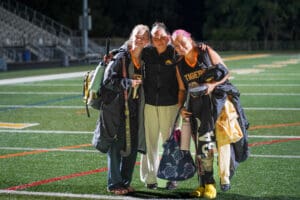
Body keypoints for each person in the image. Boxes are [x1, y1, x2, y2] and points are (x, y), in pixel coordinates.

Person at [171, 29, 249, 199]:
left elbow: (226, 73)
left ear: (190, 39)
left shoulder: (205, 52)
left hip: (217, 105)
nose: (180, 47)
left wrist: (212, 86)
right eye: (176, 45)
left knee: (218, 143)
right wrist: (180, 107)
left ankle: (218, 180)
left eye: (182, 42)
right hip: (196, 108)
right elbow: (182, 89)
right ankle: (205, 182)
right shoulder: (179, 64)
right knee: (201, 145)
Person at [96, 24, 150, 195]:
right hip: (117, 109)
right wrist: (128, 83)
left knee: (132, 147)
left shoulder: (143, 60)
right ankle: (114, 184)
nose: (139, 39)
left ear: (147, 42)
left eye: (143, 37)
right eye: (136, 35)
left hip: (134, 109)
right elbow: (108, 82)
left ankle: (125, 182)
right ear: (132, 36)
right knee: (116, 146)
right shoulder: (120, 57)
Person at [139, 22, 186, 190]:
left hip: (171, 105)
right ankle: (150, 178)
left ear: (167, 37)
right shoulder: (146, 53)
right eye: (154, 37)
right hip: (150, 105)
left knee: (170, 143)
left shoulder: (175, 54)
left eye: (160, 36)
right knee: (150, 143)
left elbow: (183, 82)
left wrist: (180, 108)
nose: (157, 39)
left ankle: (172, 177)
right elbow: (129, 53)